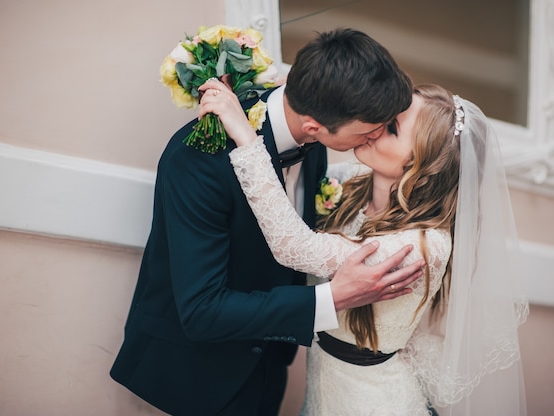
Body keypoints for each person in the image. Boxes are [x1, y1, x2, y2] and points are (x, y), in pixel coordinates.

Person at [110, 28, 422, 416]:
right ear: (314, 126)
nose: (373, 138)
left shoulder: (315, 140)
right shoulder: (200, 159)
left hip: (268, 364)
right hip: (196, 377)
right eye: (367, 131)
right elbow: (202, 310)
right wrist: (333, 297)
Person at [198, 81, 529, 415]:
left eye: (391, 128)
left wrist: (245, 136)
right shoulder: (355, 182)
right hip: (323, 385)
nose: (373, 126)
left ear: (422, 167)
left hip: (372, 402)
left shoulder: (422, 246)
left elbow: (295, 247)